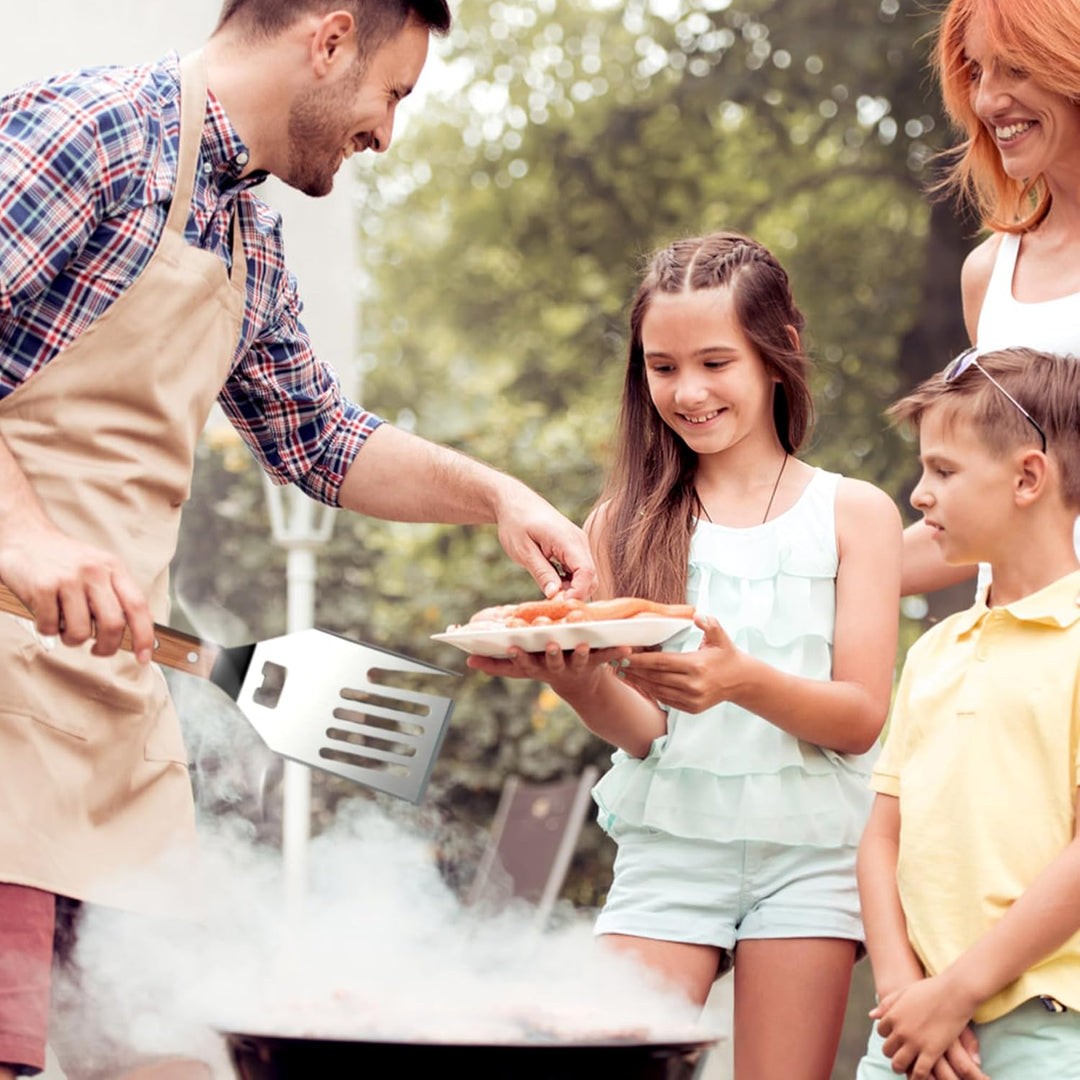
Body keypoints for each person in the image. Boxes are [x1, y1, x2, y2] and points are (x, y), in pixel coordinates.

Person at [0, 2, 597, 1078]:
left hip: (113, 710)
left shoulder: (239, 229)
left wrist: (496, 494)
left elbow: (319, 438)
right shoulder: (93, 131)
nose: (388, 131)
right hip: (0, 708)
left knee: (167, 1057)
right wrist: (28, 539)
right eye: (394, 93)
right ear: (328, 41)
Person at [468, 232, 903, 1078]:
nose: (688, 391)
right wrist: (579, 680)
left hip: (811, 856)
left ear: (779, 356)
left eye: (715, 361)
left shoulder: (856, 515)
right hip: (673, 849)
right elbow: (644, 734)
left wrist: (742, 682)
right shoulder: (621, 524)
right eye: (662, 367)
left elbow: (859, 720)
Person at [857, 347, 1080, 1080]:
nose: (919, 496)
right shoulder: (934, 651)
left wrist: (959, 992)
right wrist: (905, 997)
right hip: (910, 1031)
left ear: (1027, 477)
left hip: (1045, 1033)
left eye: (943, 471)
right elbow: (880, 841)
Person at [902, 0, 1080, 598]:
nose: (986, 100)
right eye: (977, 72)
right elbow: (985, 499)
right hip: (1013, 657)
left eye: (1016, 68)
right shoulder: (989, 273)